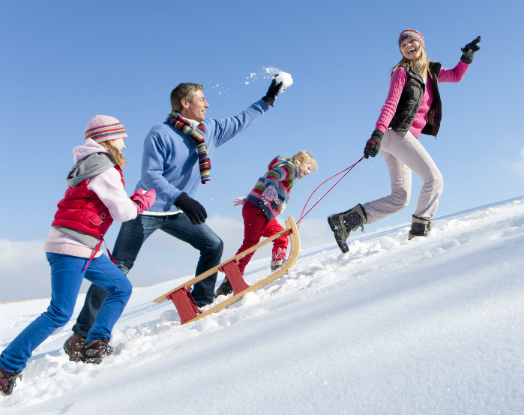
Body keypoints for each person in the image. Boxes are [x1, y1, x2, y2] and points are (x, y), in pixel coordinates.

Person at [61, 76, 291, 358]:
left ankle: (202, 301)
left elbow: (243, 119)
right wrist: (181, 197)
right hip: (144, 210)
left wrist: (268, 100)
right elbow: (150, 176)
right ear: (185, 103)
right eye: (201, 99)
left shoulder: (211, 130)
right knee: (117, 269)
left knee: (212, 245)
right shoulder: (161, 133)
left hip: (176, 211)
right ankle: (81, 333)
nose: (207, 103)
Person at [0, 116, 156, 396]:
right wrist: (142, 201)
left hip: (86, 247)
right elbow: (123, 212)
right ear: (108, 138)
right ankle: (6, 366)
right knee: (59, 312)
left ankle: (94, 343)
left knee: (120, 287)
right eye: (122, 135)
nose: (125, 140)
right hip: (71, 247)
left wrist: (131, 202)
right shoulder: (105, 167)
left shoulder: (92, 164)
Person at [328, 29, 481, 253]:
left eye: (412, 42)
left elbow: (457, 75)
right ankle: (420, 232)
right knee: (434, 179)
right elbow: (390, 104)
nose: (408, 46)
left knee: (400, 198)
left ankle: (346, 221)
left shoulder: (431, 71)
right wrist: (377, 134)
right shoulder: (402, 72)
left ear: (421, 44)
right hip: (395, 133)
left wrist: (467, 57)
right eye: (403, 45)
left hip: (397, 139)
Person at [215, 150, 317, 297]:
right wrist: (270, 186)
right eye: (308, 168)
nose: (308, 172)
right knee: (250, 244)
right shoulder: (290, 168)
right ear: (299, 161)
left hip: (260, 210)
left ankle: (277, 265)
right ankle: (229, 282)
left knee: (281, 236)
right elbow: (274, 175)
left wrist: (249, 199)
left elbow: (265, 183)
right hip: (258, 210)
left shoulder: (287, 167)